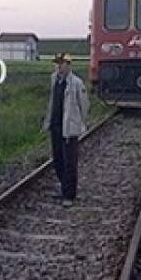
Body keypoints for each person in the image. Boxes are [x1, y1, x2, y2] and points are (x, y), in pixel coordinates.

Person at [43, 53, 89, 205]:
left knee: (70, 161)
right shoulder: (54, 80)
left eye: (62, 64)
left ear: (69, 65)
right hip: (56, 126)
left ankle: (69, 194)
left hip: (69, 127)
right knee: (58, 159)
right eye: (57, 63)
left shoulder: (76, 83)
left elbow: (84, 105)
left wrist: (79, 123)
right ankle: (63, 188)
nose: (58, 67)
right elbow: (51, 102)